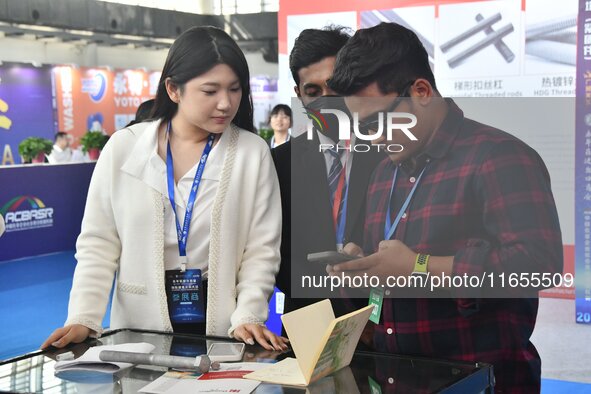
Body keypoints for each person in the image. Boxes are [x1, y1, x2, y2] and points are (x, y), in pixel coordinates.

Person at [326, 23, 563, 392]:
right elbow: (388, 288)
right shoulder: (384, 172)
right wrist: (365, 270)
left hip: (483, 382)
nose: (370, 137)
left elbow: (538, 266)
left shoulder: (499, 157)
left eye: (378, 121)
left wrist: (419, 267)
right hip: (399, 380)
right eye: (361, 127)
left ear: (420, 91)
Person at [42, 26, 287, 352]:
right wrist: (83, 316)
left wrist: (250, 313)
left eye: (235, 89)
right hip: (138, 326)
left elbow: (261, 249)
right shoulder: (124, 149)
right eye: (210, 91)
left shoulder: (252, 153)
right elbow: (99, 243)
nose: (226, 104)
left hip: (224, 325)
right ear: (173, 89)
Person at [272, 26, 384, 318]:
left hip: (382, 324)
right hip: (307, 325)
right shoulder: (278, 163)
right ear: (299, 95)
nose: (328, 98)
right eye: (314, 91)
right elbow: (274, 253)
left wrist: (372, 312)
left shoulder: (389, 154)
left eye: (335, 85)